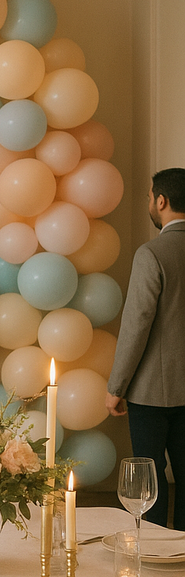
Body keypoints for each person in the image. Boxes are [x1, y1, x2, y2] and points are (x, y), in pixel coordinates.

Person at [106, 167, 185, 530]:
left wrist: (116, 387)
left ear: (162, 200)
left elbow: (136, 326)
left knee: (150, 485)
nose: (149, 203)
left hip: (153, 392)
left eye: (150, 197)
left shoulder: (151, 253)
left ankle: (155, 558)